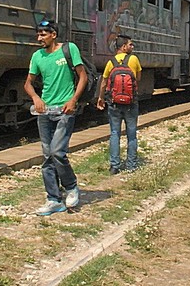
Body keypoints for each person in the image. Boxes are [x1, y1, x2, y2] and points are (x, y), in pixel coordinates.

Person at [23, 20, 87, 216]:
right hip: (45, 112)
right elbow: (28, 83)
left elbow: (82, 76)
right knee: (47, 156)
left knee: (57, 151)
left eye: (43, 34)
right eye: (38, 34)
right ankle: (53, 200)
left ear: (53, 35)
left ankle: (71, 186)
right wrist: (35, 97)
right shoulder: (37, 56)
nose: (39, 38)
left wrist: (74, 99)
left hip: (65, 111)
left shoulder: (69, 49)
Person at [97, 35, 142, 175]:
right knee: (132, 134)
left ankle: (114, 166)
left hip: (114, 104)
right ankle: (131, 165)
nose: (132, 47)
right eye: (130, 45)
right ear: (123, 47)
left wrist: (100, 98)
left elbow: (104, 83)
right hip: (131, 103)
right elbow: (138, 78)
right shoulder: (134, 59)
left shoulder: (111, 62)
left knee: (115, 133)